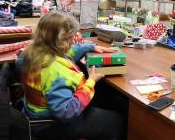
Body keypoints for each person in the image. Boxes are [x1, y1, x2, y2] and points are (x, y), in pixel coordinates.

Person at [19, 12, 127, 140]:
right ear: (57, 41)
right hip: (52, 124)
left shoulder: (32, 53)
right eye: (69, 39)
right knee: (117, 121)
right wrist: (91, 82)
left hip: (34, 115)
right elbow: (67, 113)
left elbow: (68, 53)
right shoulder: (56, 73)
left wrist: (91, 47)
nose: (72, 42)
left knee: (103, 103)